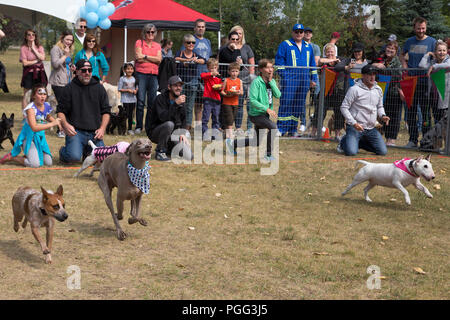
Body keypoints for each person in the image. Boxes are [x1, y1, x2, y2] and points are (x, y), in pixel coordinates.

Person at [227, 59, 281, 162]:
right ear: (261, 69)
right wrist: (267, 109)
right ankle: (268, 155)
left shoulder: (272, 81)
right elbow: (252, 100)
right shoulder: (256, 82)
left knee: (256, 142)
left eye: (271, 68)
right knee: (273, 128)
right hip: (256, 114)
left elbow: (278, 95)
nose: (270, 70)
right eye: (267, 67)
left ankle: (232, 144)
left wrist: (271, 82)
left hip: (264, 115)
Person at [57, 59, 110, 163]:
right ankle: (63, 152)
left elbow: (106, 112)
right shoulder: (69, 88)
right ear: (76, 71)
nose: (87, 73)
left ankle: (86, 151)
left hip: (94, 133)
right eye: (84, 70)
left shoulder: (99, 88)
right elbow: (60, 111)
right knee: (74, 158)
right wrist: (66, 125)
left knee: (103, 159)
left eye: (89, 70)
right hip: (76, 132)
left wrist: (102, 129)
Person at [0, 85, 60, 167]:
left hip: (39, 138)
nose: (43, 96)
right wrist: (51, 124)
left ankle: (29, 155)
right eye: (40, 94)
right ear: (34, 96)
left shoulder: (46, 105)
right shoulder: (30, 109)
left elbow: (47, 116)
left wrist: (58, 123)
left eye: (44, 94)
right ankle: (12, 157)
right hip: (29, 138)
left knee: (48, 163)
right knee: (35, 164)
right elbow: (34, 127)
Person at [275, 23, 318, 136]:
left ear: (303, 33)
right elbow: (279, 62)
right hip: (289, 80)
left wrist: (313, 78)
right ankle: (281, 128)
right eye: (296, 31)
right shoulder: (285, 44)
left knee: (298, 105)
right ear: (292, 32)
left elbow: (312, 64)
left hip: (304, 80)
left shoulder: (308, 46)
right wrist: (285, 76)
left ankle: (293, 129)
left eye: (301, 32)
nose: (299, 34)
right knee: (286, 103)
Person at [400, 17, 436, 148]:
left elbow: (438, 57)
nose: (421, 30)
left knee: (426, 112)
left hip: (425, 81)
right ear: (414, 28)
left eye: (423, 28)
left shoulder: (432, 41)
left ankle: (426, 141)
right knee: (411, 111)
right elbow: (402, 54)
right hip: (411, 81)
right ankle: (412, 139)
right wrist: (404, 64)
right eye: (418, 28)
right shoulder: (409, 41)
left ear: (426, 27)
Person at [338, 64, 390, 156]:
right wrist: (354, 123)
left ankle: (357, 143)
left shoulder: (378, 89)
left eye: (374, 74)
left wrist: (383, 116)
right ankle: (343, 142)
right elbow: (344, 107)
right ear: (363, 75)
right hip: (355, 127)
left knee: (382, 152)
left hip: (371, 128)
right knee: (351, 152)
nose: (372, 77)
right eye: (369, 74)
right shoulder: (354, 89)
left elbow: (380, 106)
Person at [146, 75, 192, 162]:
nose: (178, 88)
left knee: (189, 156)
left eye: (180, 86)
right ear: (169, 87)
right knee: (169, 124)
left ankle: (169, 149)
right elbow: (163, 118)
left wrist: (182, 133)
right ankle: (160, 152)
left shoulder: (181, 100)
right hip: (155, 131)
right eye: (175, 85)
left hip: (172, 132)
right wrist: (175, 104)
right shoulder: (160, 98)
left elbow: (183, 119)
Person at [180, 19, 213, 130]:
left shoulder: (207, 41)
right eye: (198, 27)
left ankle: (198, 128)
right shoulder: (191, 40)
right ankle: (187, 126)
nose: (201, 28)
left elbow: (209, 59)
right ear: (195, 28)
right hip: (192, 76)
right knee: (189, 104)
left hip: (205, 76)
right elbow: (183, 56)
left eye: (203, 27)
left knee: (200, 104)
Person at [372, 40, 405, 146]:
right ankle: (381, 137)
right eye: (388, 47)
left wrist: (385, 68)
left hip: (394, 92)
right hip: (382, 91)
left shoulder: (397, 62)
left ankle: (391, 139)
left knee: (394, 116)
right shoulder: (382, 59)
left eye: (393, 49)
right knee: (382, 115)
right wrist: (375, 64)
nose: (390, 50)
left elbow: (398, 75)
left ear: (396, 51)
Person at [228, 25, 256, 136]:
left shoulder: (247, 48)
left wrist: (252, 76)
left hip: (248, 79)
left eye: (240, 33)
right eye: (236, 33)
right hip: (235, 80)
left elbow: (252, 63)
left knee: (250, 104)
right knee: (238, 105)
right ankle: (238, 127)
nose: (238, 36)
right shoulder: (227, 48)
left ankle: (250, 127)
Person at [135, 24, 162, 135]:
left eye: (152, 32)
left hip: (153, 75)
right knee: (141, 101)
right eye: (148, 32)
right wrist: (152, 59)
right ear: (144, 33)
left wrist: (145, 56)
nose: (150, 34)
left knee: (152, 102)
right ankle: (139, 126)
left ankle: (149, 126)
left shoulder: (157, 45)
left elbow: (159, 60)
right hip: (141, 74)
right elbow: (138, 57)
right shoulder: (139, 42)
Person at [311, 43, 342, 138]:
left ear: (335, 52)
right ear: (325, 53)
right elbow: (320, 61)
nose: (330, 53)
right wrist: (333, 59)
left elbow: (343, 64)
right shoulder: (324, 61)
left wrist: (337, 61)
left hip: (337, 91)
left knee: (339, 112)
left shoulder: (340, 61)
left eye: (332, 51)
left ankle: (337, 134)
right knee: (319, 111)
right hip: (325, 91)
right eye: (328, 52)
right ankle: (313, 132)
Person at [175, 34, 205, 130]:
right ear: (184, 43)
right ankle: (179, 125)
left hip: (193, 83)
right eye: (188, 42)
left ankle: (187, 127)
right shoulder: (180, 53)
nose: (191, 44)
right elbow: (175, 59)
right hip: (181, 84)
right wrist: (186, 60)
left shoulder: (195, 54)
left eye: (193, 42)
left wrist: (195, 60)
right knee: (179, 105)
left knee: (189, 107)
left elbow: (204, 60)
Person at [419, 40, 449, 123]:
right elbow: (421, 65)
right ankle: (438, 135)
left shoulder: (447, 61)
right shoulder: (433, 62)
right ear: (435, 52)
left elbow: (448, 65)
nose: (441, 52)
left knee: (445, 121)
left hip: (445, 97)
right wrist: (428, 54)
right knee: (437, 119)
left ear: (447, 52)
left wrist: (434, 67)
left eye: (444, 50)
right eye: (439, 50)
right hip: (435, 96)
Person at [20, 29, 47, 109]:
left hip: (40, 73)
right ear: (26, 37)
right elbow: (25, 63)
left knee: (41, 94)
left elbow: (42, 58)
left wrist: (33, 49)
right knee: (27, 94)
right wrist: (36, 61)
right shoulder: (23, 48)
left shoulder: (40, 47)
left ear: (35, 37)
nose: (31, 36)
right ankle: (25, 115)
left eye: (33, 35)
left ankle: (40, 113)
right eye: (29, 34)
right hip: (29, 73)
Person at [221, 62, 243, 144]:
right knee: (229, 117)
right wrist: (227, 94)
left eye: (236, 71)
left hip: (235, 103)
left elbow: (241, 92)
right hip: (227, 102)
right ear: (229, 72)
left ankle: (227, 133)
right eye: (233, 71)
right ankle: (230, 134)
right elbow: (222, 91)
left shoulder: (239, 81)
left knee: (232, 118)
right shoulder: (226, 80)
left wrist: (237, 93)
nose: (234, 73)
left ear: (239, 72)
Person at [200, 58, 223, 138]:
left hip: (216, 99)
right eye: (211, 68)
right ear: (208, 68)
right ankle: (205, 132)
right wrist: (211, 73)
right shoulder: (207, 76)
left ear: (217, 67)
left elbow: (221, 87)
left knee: (216, 117)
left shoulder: (219, 77)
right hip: (208, 99)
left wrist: (220, 87)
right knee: (205, 117)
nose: (213, 69)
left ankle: (215, 133)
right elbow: (202, 76)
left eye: (215, 68)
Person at [118, 62, 138, 135]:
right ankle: (123, 129)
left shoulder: (134, 79)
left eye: (131, 69)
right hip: (125, 100)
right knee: (125, 115)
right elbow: (119, 89)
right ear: (124, 70)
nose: (130, 70)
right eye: (128, 69)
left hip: (133, 100)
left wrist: (136, 91)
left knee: (131, 115)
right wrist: (127, 90)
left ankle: (130, 129)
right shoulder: (122, 79)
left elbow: (136, 87)